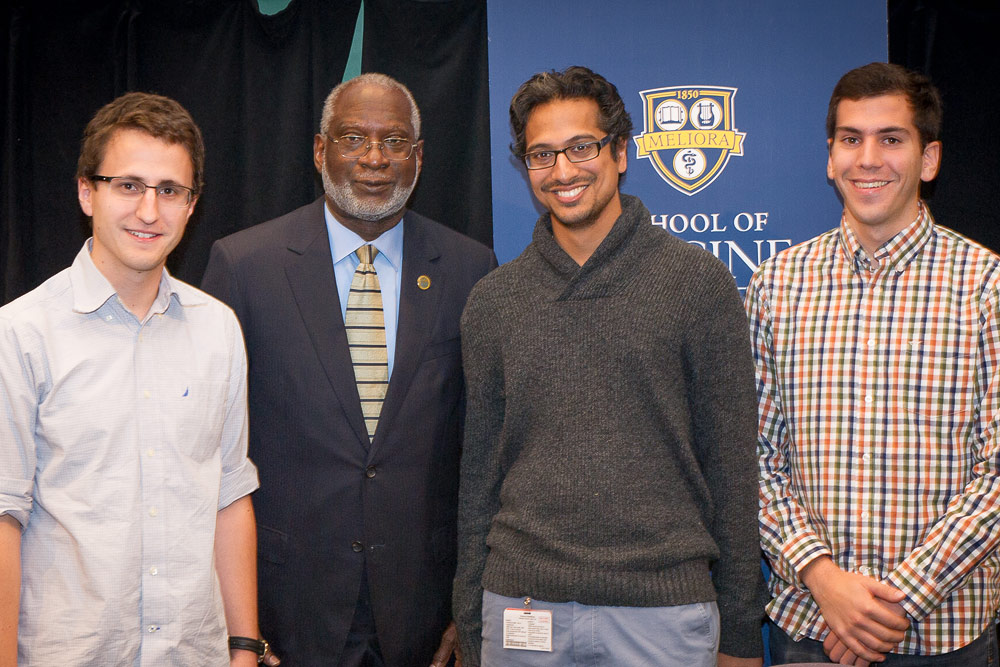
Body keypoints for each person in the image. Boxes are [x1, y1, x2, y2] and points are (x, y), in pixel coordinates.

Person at [452, 65, 763, 667]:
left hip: (665, 619)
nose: (563, 171)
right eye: (542, 155)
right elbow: (478, 477)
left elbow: (731, 470)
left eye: (581, 147)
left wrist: (743, 634)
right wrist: (470, 625)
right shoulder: (493, 302)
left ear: (620, 152)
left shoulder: (697, 285)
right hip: (520, 612)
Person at [201, 73, 497, 667]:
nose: (373, 158)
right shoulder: (244, 265)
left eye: (393, 142)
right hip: (284, 608)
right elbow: (209, 453)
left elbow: (483, 451)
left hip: (423, 608)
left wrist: (467, 609)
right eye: (353, 138)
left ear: (418, 157)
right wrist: (238, 623)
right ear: (319, 150)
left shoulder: (471, 269)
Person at [749, 62, 1000, 665]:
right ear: (830, 157)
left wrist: (893, 604)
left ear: (929, 159)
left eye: (891, 139)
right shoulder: (777, 285)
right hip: (810, 628)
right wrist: (824, 580)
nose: (868, 158)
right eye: (850, 139)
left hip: (946, 633)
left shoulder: (986, 286)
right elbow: (755, 456)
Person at [0, 92, 263, 666]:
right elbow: (3, 516)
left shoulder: (218, 330)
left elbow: (229, 495)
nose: (149, 211)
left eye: (170, 191)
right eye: (128, 185)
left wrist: (243, 647)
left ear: (191, 206)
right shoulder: (21, 335)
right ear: (86, 191)